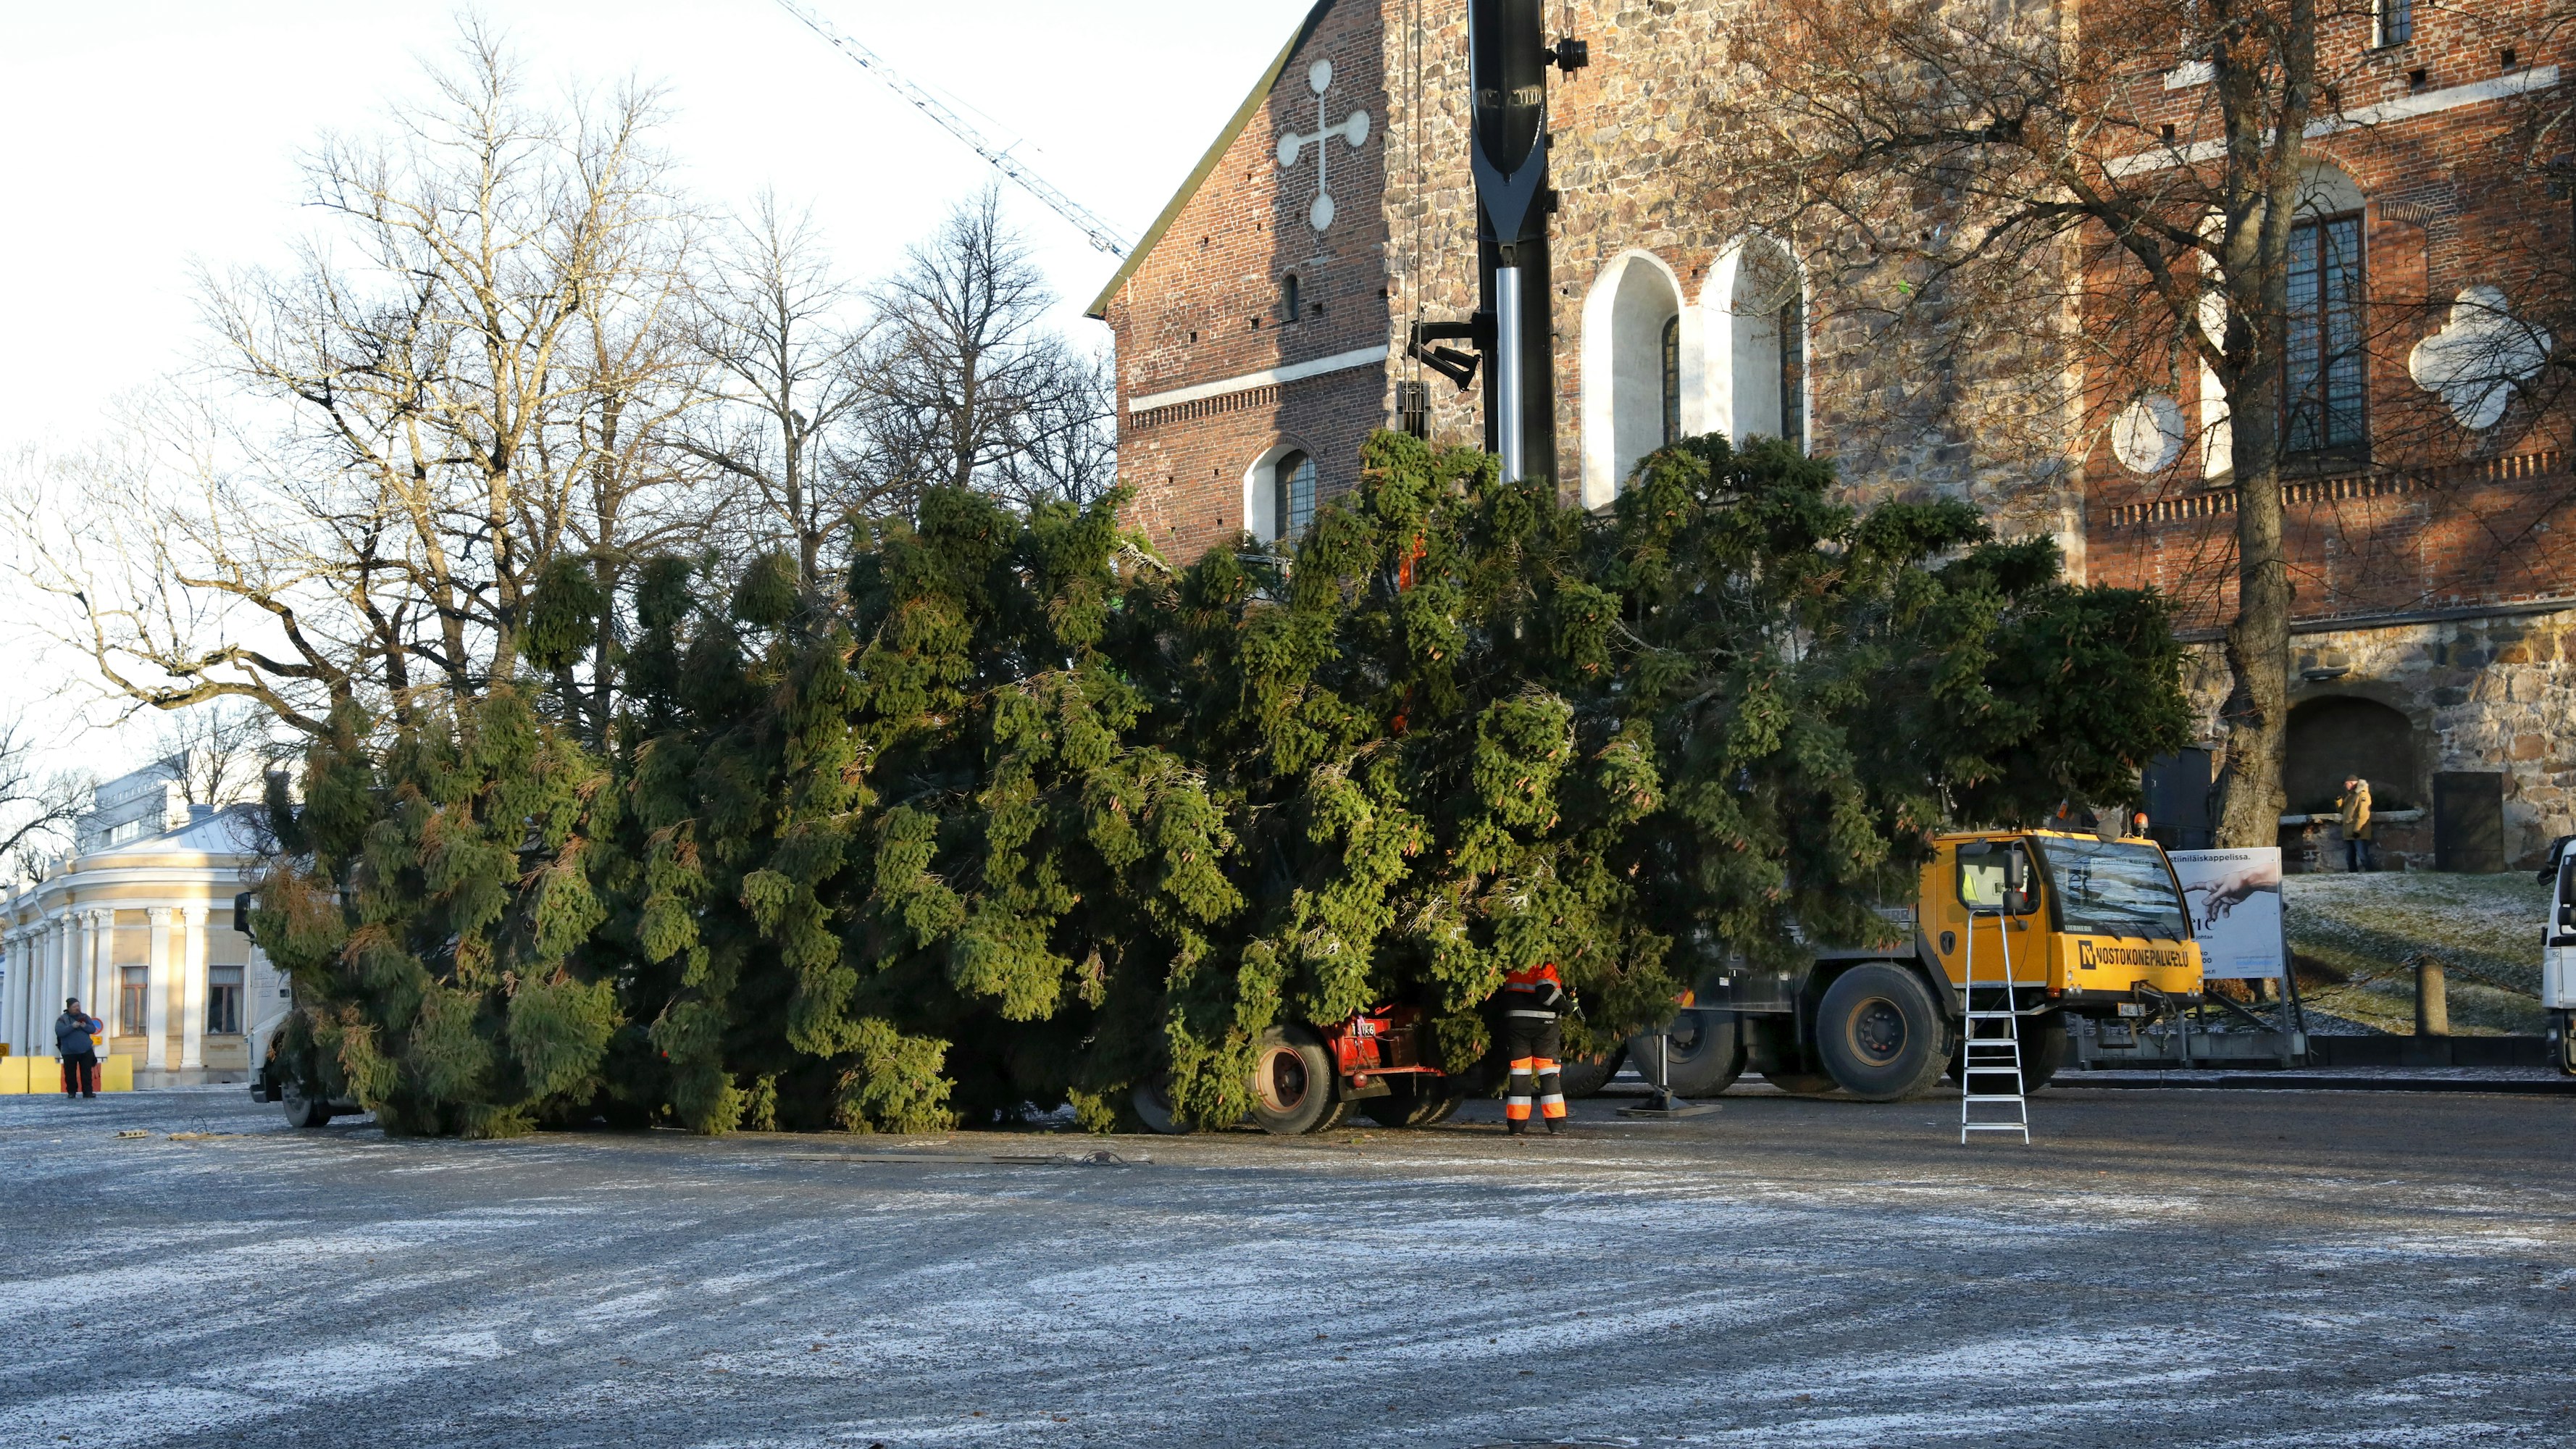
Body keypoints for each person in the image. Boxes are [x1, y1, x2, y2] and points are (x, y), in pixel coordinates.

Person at [1497, 961, 1571, 1135]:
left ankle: (1516, 1125)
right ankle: (1556, 1124)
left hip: (1516, 1022)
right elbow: (1545, 994)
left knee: (1520, 1072)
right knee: (1548, 1071)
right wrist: (1568, 1006)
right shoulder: (1546, 963)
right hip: (1543, 1024)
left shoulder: (1514, 962)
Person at [54, 997, 103, 1100]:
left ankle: (88, 1092)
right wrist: (72, 1026)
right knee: (70, 1073)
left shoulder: (85, 1017)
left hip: (85, 1050)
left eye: (78, 1006)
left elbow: (93, 1029)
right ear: (69, 1008)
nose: (77, 1008)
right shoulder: (62, 1019)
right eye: (74, 1006)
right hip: (69, 1052)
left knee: (86, 1073)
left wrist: (85, 1026)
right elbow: (60, 1032)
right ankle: (72, 1092)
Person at [2338, 775, 2375, 872]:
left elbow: (2364, 815)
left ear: (2351, 783)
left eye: (2346, 784)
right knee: (2349, 858)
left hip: (2358, 832)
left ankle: (2371, 874)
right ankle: (2353, 876)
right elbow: (2342, 811)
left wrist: (2357, 830)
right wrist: (2339, 800)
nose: (2345, 787)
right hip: (2348, 832)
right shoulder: (2350, 796)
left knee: (2363, 856)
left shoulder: (2362, 795)